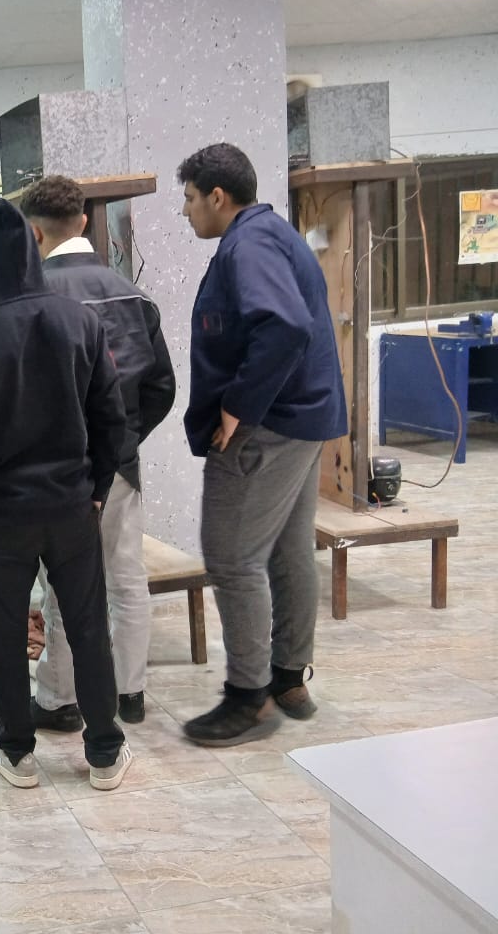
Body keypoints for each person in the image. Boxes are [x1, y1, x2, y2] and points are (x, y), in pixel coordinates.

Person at [0, 199, 132, 791]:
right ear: (29, 253)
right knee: (88, 626)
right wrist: (97, 490)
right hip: (72, 504)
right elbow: (113, 421)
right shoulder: (80, 321)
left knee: (2, 632)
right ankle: (104, 751)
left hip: (0, 512)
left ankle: (16, 751)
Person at [176, 143, 347, 746]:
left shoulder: (248, 244)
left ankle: (249, 697)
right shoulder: (273, 234)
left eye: (190, 199)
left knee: (231, 556)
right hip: (303, 420)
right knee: (287, 550)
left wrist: (236, 407)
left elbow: (284, 325)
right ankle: (287, 678)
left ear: (218, 196)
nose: (187, 211)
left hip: (269, 426)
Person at [19, 176, 176, 726]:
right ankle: (131, 694)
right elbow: (161, 388)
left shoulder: (30, 301)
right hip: (120, 468)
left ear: (33, 233)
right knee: (127, 578)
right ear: (84, 222)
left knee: (64, 588)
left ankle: (59, 699)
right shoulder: (134, 295)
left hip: (56, 471)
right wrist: (122, 442)